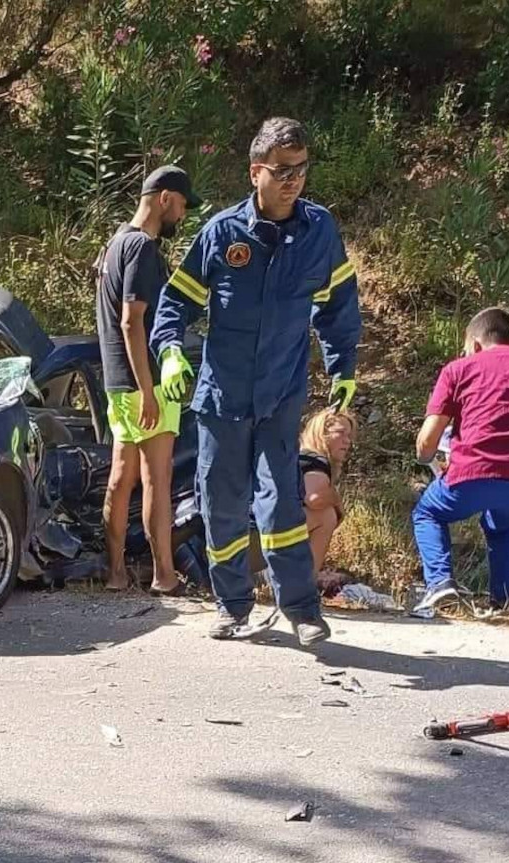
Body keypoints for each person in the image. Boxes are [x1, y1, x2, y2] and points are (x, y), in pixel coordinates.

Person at [151, 117, 361, 647]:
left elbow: (339, 307)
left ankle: (301, 608)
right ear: (255, 172)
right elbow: (174, 302)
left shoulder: (320, 232)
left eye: (300, 169)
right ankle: (232, 604)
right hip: (223, 395)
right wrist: (171, 351)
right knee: (221, 501)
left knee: (280, 504)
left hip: (279, 393)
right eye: (282, 170)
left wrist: (343, 368)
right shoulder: (223, 233)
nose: (293, 180)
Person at [94, 165, 200, 593]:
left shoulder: (114, 244)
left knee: (121, 477)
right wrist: (148, 390)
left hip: (117, 380)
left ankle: (116, 574)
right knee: (157, 477)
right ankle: (163, 575)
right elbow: (131, 321)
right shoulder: (142, 249)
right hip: (145, 381)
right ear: (165, 199)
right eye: (182, 207)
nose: (182, 217)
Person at [410, 306, 509, 615]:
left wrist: (428, 460)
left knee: (428, 513)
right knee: (502, 525)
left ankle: (440, 584)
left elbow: (427, 439)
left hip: (471, 471)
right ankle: (505, 601)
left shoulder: (458, 369)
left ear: (475, 344)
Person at [299, 406, 357, 589]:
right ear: (321, 434)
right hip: (261, 534)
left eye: (349, 436)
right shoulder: (315, 460)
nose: (347, 442)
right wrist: (336, 499)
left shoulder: (298, 456)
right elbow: (314, 499)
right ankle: (304, 586)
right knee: (326, 515)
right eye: (340, 433)